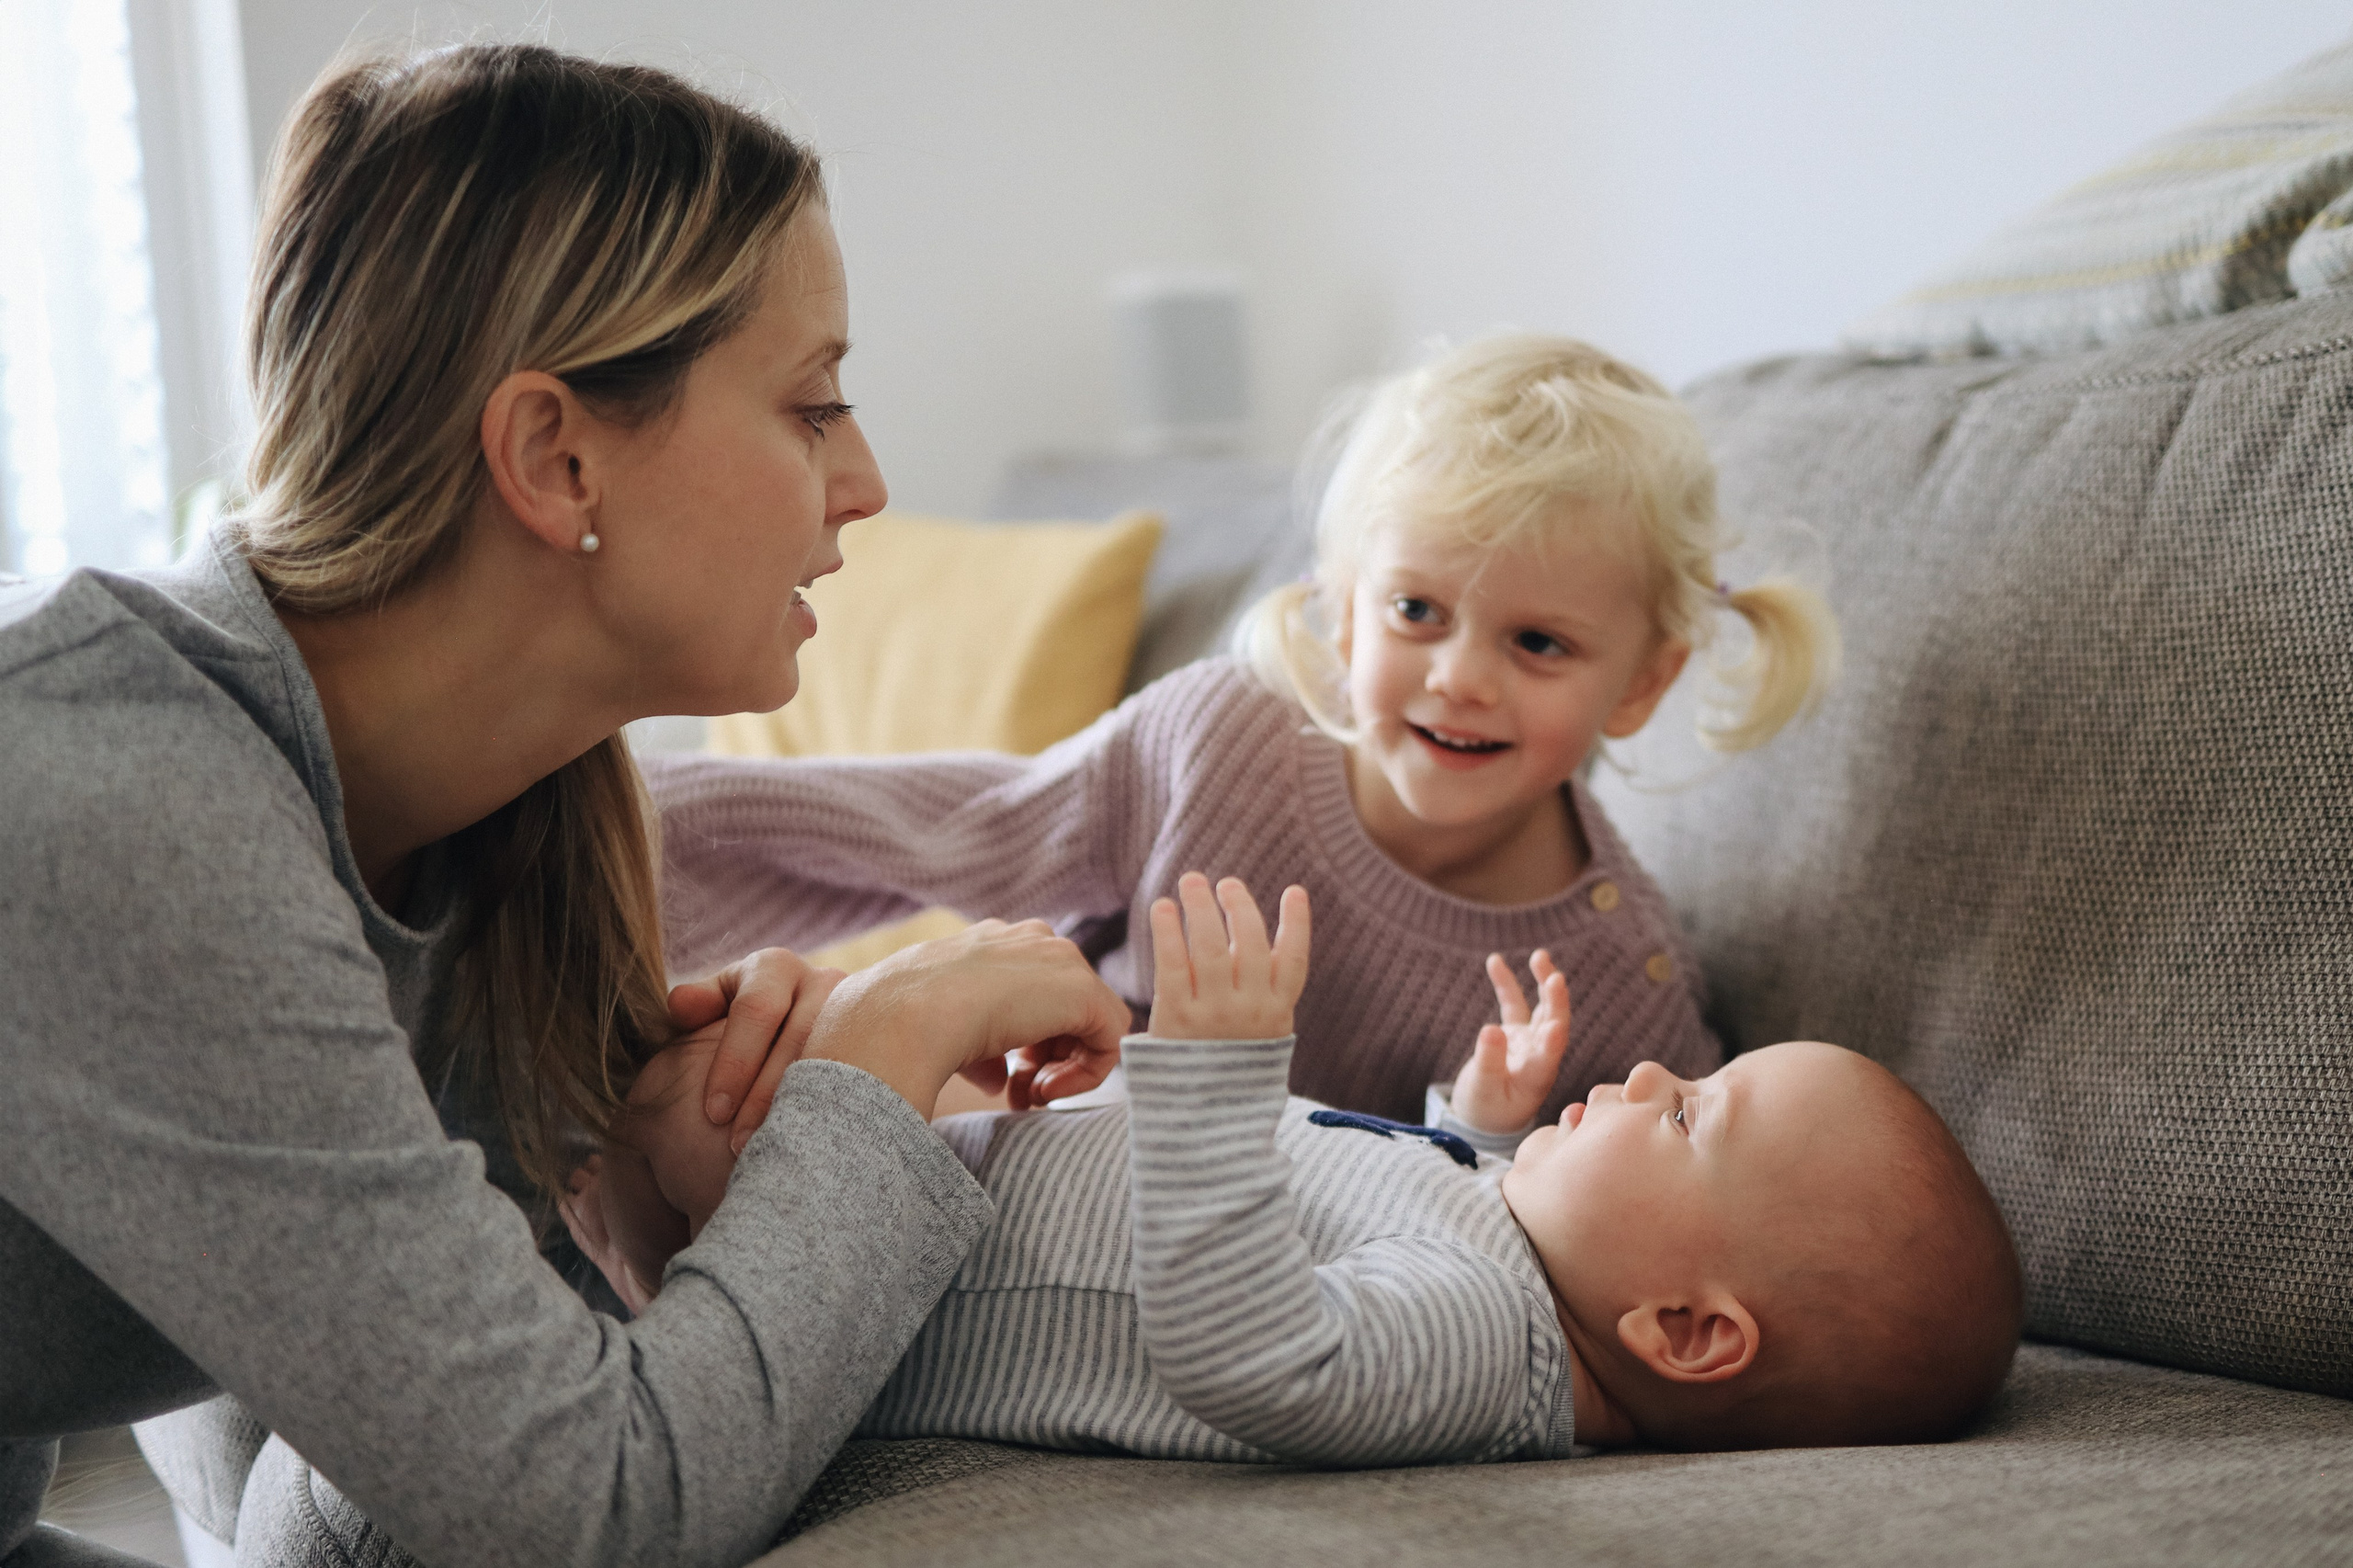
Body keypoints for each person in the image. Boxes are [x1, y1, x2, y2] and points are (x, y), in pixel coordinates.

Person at [0, 45, 1130, 1568]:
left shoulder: (470, 834)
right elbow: (592, 1512)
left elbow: (273, 1463)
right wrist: (876, 1064)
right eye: (811, 406)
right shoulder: (128, 801)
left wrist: (638, 1188)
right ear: (555, 455)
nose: (862, 481)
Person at [647, 334, 1841, 1142]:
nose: (1461, 678)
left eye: (1539, 643)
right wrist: (608, 840)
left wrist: (1484, 1125)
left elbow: (1616, 1227)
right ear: (1337, 606)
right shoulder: (1220, 740)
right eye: (1416, 612)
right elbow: (936, 830)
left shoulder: (1612, 979)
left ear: (1640, 683)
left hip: (1241, 1299)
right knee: (726, 1074)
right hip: (1024, 1154)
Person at [574, 873, 2024, 1463]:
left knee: (685, 1080)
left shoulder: (1482, 1348)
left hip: (871, 1292)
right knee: (761, 1018)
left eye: (1695, 1113)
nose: (1649, 1074)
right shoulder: (1525, 1264)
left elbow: (1254, 1344)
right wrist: (1491, 1118)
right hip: (949, 1183)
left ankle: (595, 1206)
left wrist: (1209, 1070)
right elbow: (1424, 1190)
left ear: (1688, 1332)